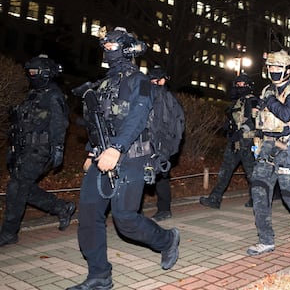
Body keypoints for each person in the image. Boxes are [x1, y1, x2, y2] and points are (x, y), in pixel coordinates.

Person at [68, 27, 179, 290]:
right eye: (104, 47)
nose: (106, 51)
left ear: (126, 49)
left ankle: (166, 240)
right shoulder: (105, 83)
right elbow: (101, 122)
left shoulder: (139, 81)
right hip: (102, 155)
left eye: (111, 47)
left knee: (125, 219)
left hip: (132, 156)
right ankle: (99, 275)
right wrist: (91, 150)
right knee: (89, 215)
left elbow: (137, 118)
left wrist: (116, 148)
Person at [0, 54, 74, 247]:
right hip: (24, 149)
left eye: (35, 72)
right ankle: (62, 207)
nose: (31, 75)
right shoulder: (33, 94)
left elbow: (60, 124)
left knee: (17, 187)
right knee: (24, 188)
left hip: (39, 150)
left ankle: (9, 233)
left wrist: (58, 150)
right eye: (29, 72)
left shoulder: (54, 94)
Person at [247, 50, 290, 256]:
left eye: (278, 67)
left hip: (288, 146)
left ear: (287, 69)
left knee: (289, 196)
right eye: (271, 67)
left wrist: (269, 101)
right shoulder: (267, 90)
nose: (274, 71)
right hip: (267, 146)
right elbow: (261, 120)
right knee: (258, 190)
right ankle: (266, 240)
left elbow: (286, 114)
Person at [199, 73, 258, 209]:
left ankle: (258, 200)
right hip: (235, 141)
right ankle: (215, 199)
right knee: (225, 171)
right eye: (237, 84)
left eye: (242, 84)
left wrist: (241, 131)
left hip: (247, 142)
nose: (239, 86)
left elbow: (254, 120)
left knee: (251, 173)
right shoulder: (238, 101)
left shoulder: (251, 100)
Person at [147, 65, 184, 221]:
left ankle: (164, 210)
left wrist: (167, 149)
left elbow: (176, 126)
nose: (153, 82)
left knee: (161, 178)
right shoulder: (148, 96)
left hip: (161, 145)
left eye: (156, 79)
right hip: (147, 143)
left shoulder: (168, 99)